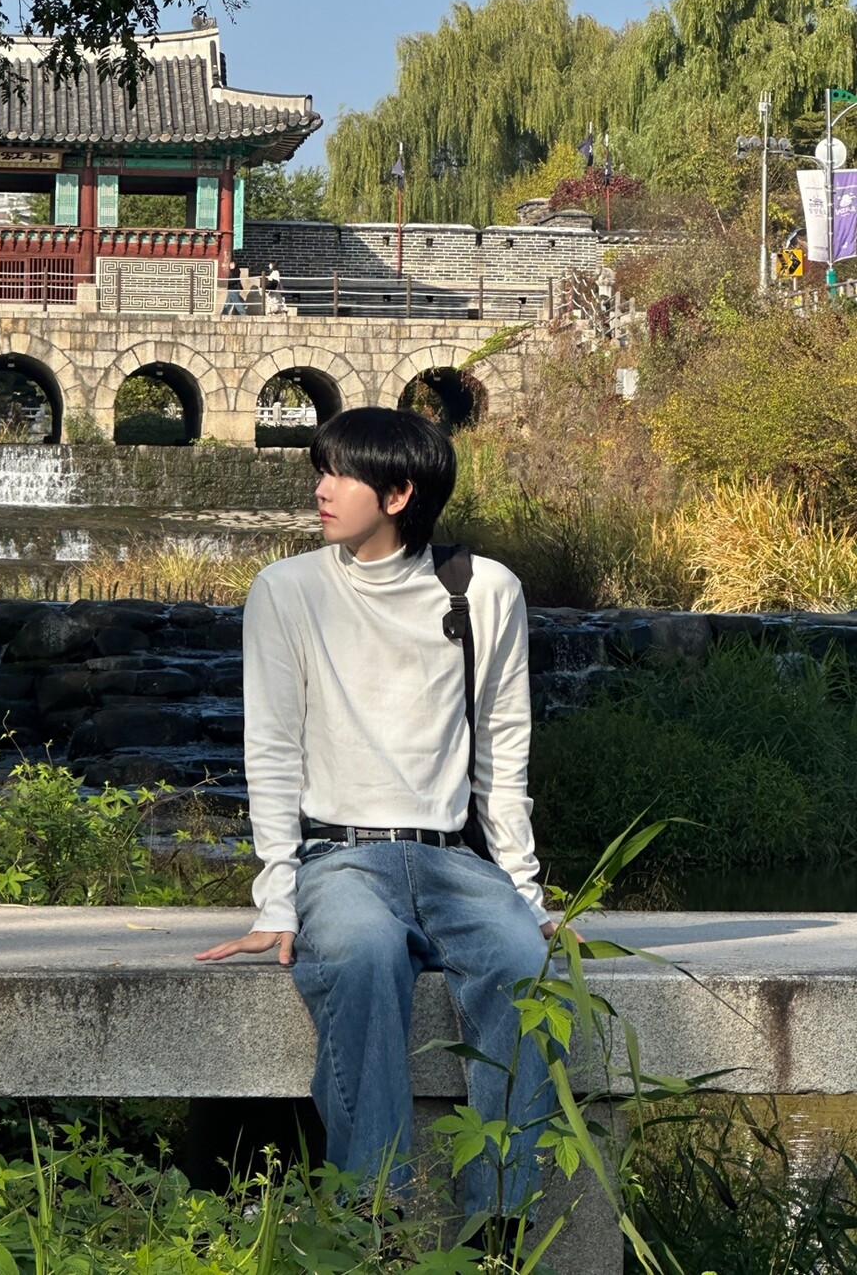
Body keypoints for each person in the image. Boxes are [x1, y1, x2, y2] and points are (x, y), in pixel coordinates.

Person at [197, 406, 556, 1234]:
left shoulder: (485, 590)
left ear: (399, 494)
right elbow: (272, 750)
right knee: (362, 957)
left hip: (454, 862)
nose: (321, 490)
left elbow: (504, 751)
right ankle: (373, 1219)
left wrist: (524, 890)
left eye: (340, 474)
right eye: (320, 471)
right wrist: (277, 897)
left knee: (523, 966)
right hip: (341, 860)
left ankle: (500, 1225)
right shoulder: (287, 590)